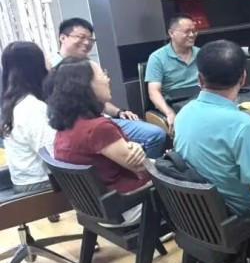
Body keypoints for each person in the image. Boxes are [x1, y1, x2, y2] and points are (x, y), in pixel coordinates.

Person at [174, 40, 250, 216]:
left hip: (199, 215)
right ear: (243, 78)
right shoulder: (243, 126)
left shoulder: (183, 114)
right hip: (240, 220)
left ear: (199, 79)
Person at [46, 58, 149, 225]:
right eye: (103, 74)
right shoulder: (98, 129)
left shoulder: (64, 128)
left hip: (93, 210)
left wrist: (138, 149)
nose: (108, 79)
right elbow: (141, 166)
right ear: (86, 85)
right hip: (126, 208)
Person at [50, 17, 166, 158]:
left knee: (147, 129)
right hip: (85, 126)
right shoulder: (53, 70)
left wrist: (119, 112)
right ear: (63, 38)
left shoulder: (89, 63)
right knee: (153, 135)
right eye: (81, 37)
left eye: (90, 39)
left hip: (100, 119)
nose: (87, 43)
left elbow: (96, 100)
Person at [1, 42, 56, 201]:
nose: (49, 62)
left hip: (25, 182)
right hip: (42, 185)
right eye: (44, 57)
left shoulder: (13, 103)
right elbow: (54, 155)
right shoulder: (32, 108)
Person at [145, 14, 200, 130]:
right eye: (187, 31)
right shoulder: (157, 58)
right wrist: (169, 112)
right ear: (171, 33)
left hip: (200, 98)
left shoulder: (202, 53)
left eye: (194, 31)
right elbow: (154, 92)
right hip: (176, 101)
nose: (192, 35)